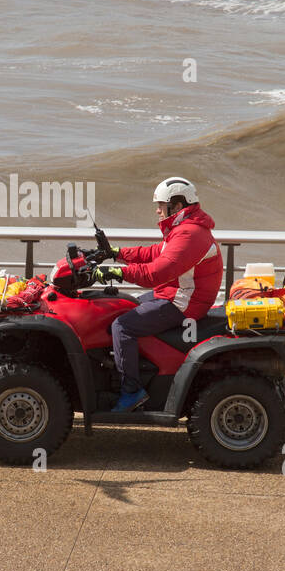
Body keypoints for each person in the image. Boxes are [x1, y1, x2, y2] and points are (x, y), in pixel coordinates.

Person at [93, 177, 222, 412]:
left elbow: (155, 273)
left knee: (122, 326)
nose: (157, 210)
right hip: (173, 293)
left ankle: (131, 391)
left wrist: (117, 273)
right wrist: (115, 253)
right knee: (121, 305)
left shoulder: (190, 234)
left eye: (161, 206)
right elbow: (154, 253)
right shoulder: (184, 229)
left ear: (177, 206)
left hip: (184, 302)